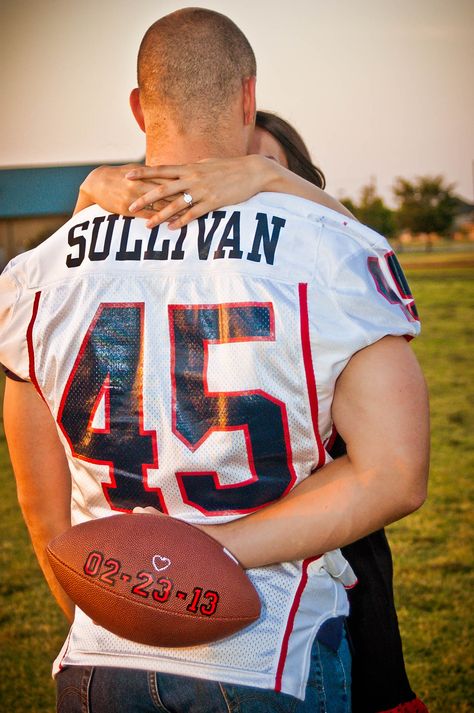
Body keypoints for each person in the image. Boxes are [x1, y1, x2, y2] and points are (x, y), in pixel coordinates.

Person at [0, 8, 429, 713]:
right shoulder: (330, 248)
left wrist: (118, 596)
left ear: (139, 107)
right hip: (269, 653)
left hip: (99, 655)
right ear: (246, 97)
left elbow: (41, 502)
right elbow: (395, 474)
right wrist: (213, 552)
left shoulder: (38, 272)